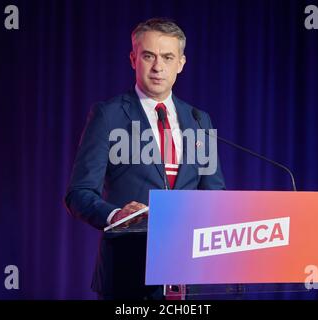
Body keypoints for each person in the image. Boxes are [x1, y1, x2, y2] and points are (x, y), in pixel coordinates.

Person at [64, 17, 226, 300]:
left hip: (187, 277)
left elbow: (214, 195)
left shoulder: (199, 120)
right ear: (133, 58)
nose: (158, 67)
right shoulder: (108, 115)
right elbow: (78, 194)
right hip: (128, 276)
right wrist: (117, 216)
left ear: (181, 63)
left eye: (167, 57)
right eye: (148, 56)